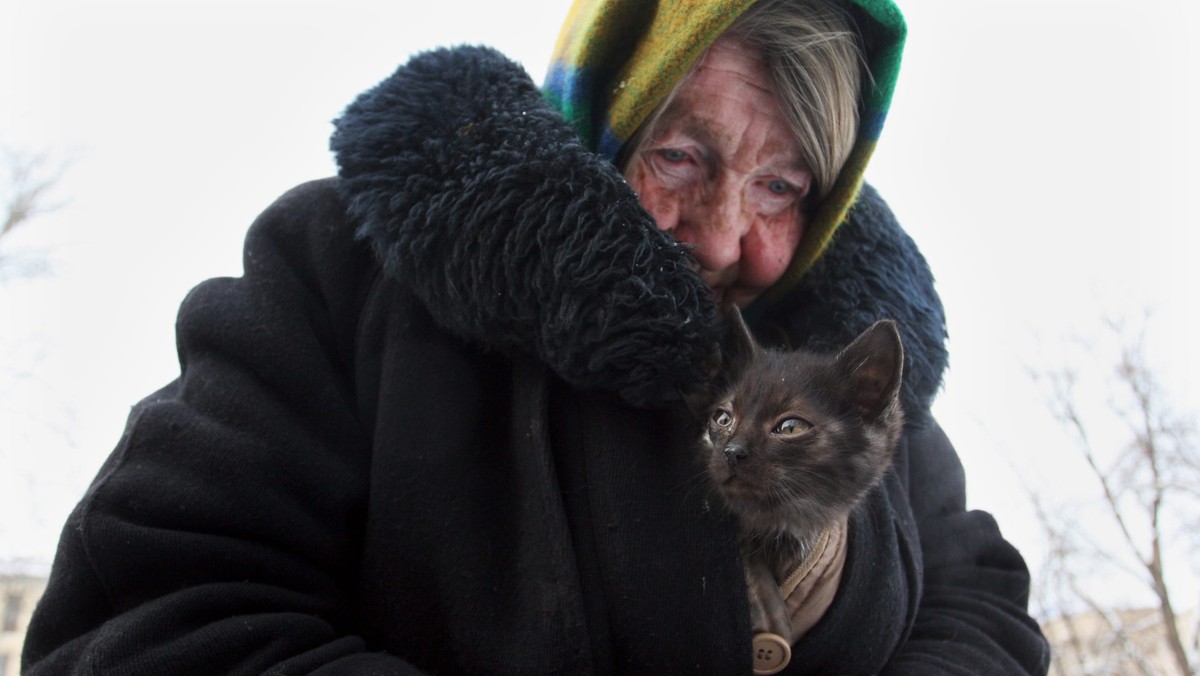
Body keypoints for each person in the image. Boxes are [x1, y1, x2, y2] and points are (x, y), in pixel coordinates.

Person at [24, 0, 1050, 673]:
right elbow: (147, 619)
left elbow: (984, 608)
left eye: (781, 186)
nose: (728, 232)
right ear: (605, 108)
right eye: (684, 156)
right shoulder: (349, 269)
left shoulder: (837, 360)